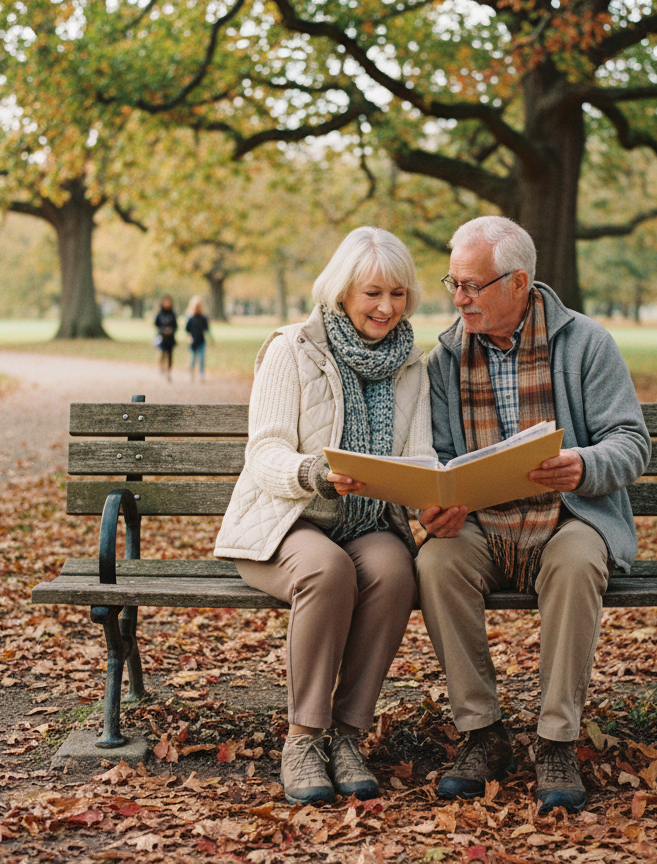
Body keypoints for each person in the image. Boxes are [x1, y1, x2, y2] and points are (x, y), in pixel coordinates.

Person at [416, 216, 651, 814]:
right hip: (482, 525)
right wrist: (438, 502)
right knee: (437, 561)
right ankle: (482, 734)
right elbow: (438, 454)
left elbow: (631, 440)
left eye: (473, 285)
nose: (459, 298)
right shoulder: (444, 357)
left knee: (577, 564)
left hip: (565, 518)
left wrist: (584, 464)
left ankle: (555, 741)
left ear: (518, 282)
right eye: (454, 284)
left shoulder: (586, 343)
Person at [214, 226, 433, 806]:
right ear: (341, 293)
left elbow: (420, 454)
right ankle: (305, 737)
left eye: (398, 293)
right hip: (285, 521)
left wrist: (432, 488)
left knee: (395, 572)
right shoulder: (291, 349)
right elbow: (264, 454)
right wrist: (314, 473)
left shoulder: (413, 364)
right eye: (372, 294)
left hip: (366, 522)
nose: (387, 307)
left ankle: (347, 734)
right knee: (328, 570)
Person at [185, 297, 212, 381]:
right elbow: (187, 330)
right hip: (193, 341)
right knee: (193, 358)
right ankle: (191, 373)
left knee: (201, 358)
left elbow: (207, 329)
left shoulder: (203, 318)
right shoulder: (190, 318)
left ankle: (201, 373)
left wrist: (211, 339)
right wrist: (189, 337)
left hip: (201, 341)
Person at [154, 296, 178, 380]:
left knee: (170, 355)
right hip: (162, 337)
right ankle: (162, 368)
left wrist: (171, 330)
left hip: (170, 338)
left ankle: (169, 371)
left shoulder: (172, 314)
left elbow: (175, 326)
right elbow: (156, 324)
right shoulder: (160, 314)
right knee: (162, 353)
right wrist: (162, 330)